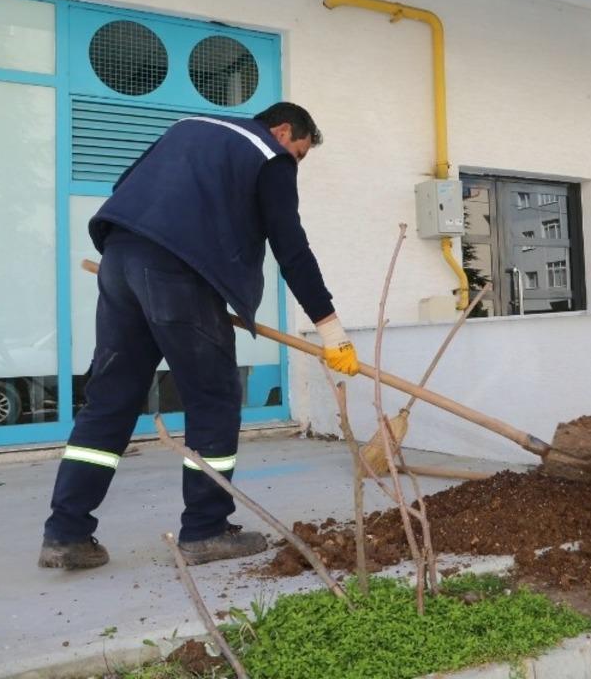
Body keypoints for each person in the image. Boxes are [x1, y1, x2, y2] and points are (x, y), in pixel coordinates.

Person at [39, 102, 360, 570]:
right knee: (213, 399)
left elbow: (126, 184)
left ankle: (66, 534)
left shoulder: (187, 129)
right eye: (299, 153)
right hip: (177, 273)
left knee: (110, 400)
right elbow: (290, 245)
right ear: (282, 130)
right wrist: (330, 328)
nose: (294, 164)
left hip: (120, 257)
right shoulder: (268, 153)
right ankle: (206, 531)